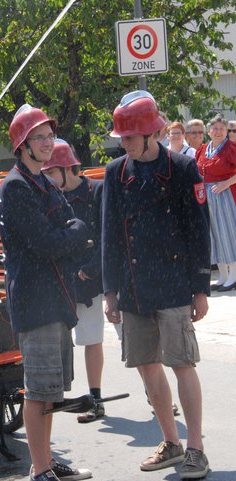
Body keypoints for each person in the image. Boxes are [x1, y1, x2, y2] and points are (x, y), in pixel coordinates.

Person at [102, 90, 211, 479]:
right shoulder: (116, 173)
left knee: (182, 363)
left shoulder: (183, 168)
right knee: (147, 366)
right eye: (123, 138)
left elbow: (199, 230)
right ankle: (171, 441)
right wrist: (110, 290)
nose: (124, 143)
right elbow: (110, 233)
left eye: (129, 136)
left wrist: (201, 287)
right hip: (132, 289)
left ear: (152, 134)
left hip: (175, 285)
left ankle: (196, 447)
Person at [0, 104, 91, 481]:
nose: (49, 143)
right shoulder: (18, 186)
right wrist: (76, 232)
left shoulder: (40, 181)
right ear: (23, 145)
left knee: (51, 390)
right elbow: (47, 242)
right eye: (40, 137)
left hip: (53, 296)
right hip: (36, 300)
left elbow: (65, 230)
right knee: (38, 391)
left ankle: (46, 463)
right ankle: (39, 471)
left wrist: (72, 232)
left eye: (50, 136)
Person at [41, 140, 106, 424]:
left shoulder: (97, 191)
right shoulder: (50, 197)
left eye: (51, 173)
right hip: (67, 278)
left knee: (127, 342)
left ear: (67, 168)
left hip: (99, 276)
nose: (48, 181)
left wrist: (92, 268)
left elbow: (108, 235)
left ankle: (153, 395)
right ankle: (85, 397)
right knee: (75, 339)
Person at [195, 114, 236, 292]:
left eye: (222, 129)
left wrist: (226, 183)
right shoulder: (203, 149)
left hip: (225, 195)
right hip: (207, 197)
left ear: (226, 131)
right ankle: (223, 275)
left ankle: (233, 275)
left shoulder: (231, 149)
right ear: (209, 131)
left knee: (228, 233)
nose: (218, 132)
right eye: (215, 128)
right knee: (215, 234)